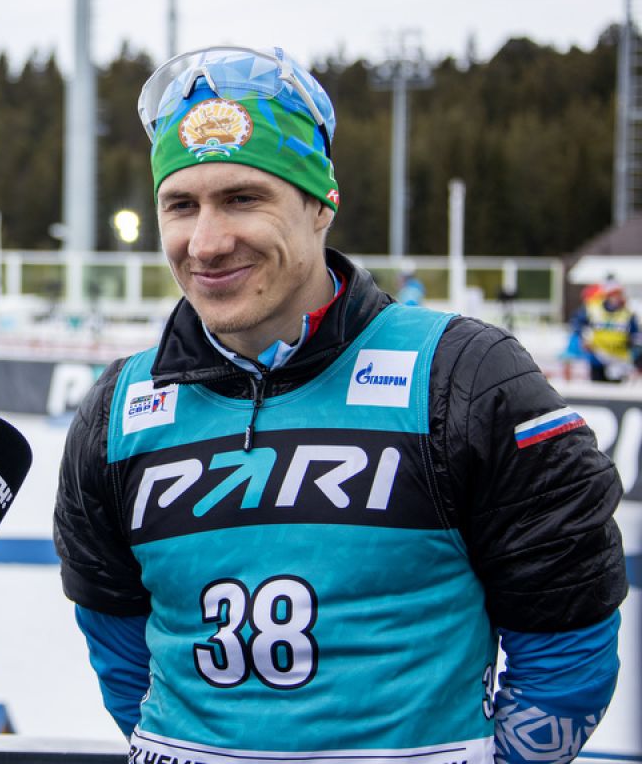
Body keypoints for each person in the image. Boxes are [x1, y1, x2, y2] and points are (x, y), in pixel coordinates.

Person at [53, 47, 627, 764]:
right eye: (181, 205)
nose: (207, 242)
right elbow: (119, 652)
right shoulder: (117, 411)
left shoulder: (466, 378)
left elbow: (568, 648)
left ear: (321, 203)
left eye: (243, 198)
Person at [571, 277, 640, 382]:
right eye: (614, 294)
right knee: (597, 387)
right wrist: (583, 338)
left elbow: (635, 335)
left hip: (619, 359)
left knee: (616, 388)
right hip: (597, 356)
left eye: (619, 294)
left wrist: (634, 348)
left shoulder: (628, 314)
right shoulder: (593, 309)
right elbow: (577, 324)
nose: (617, 297)